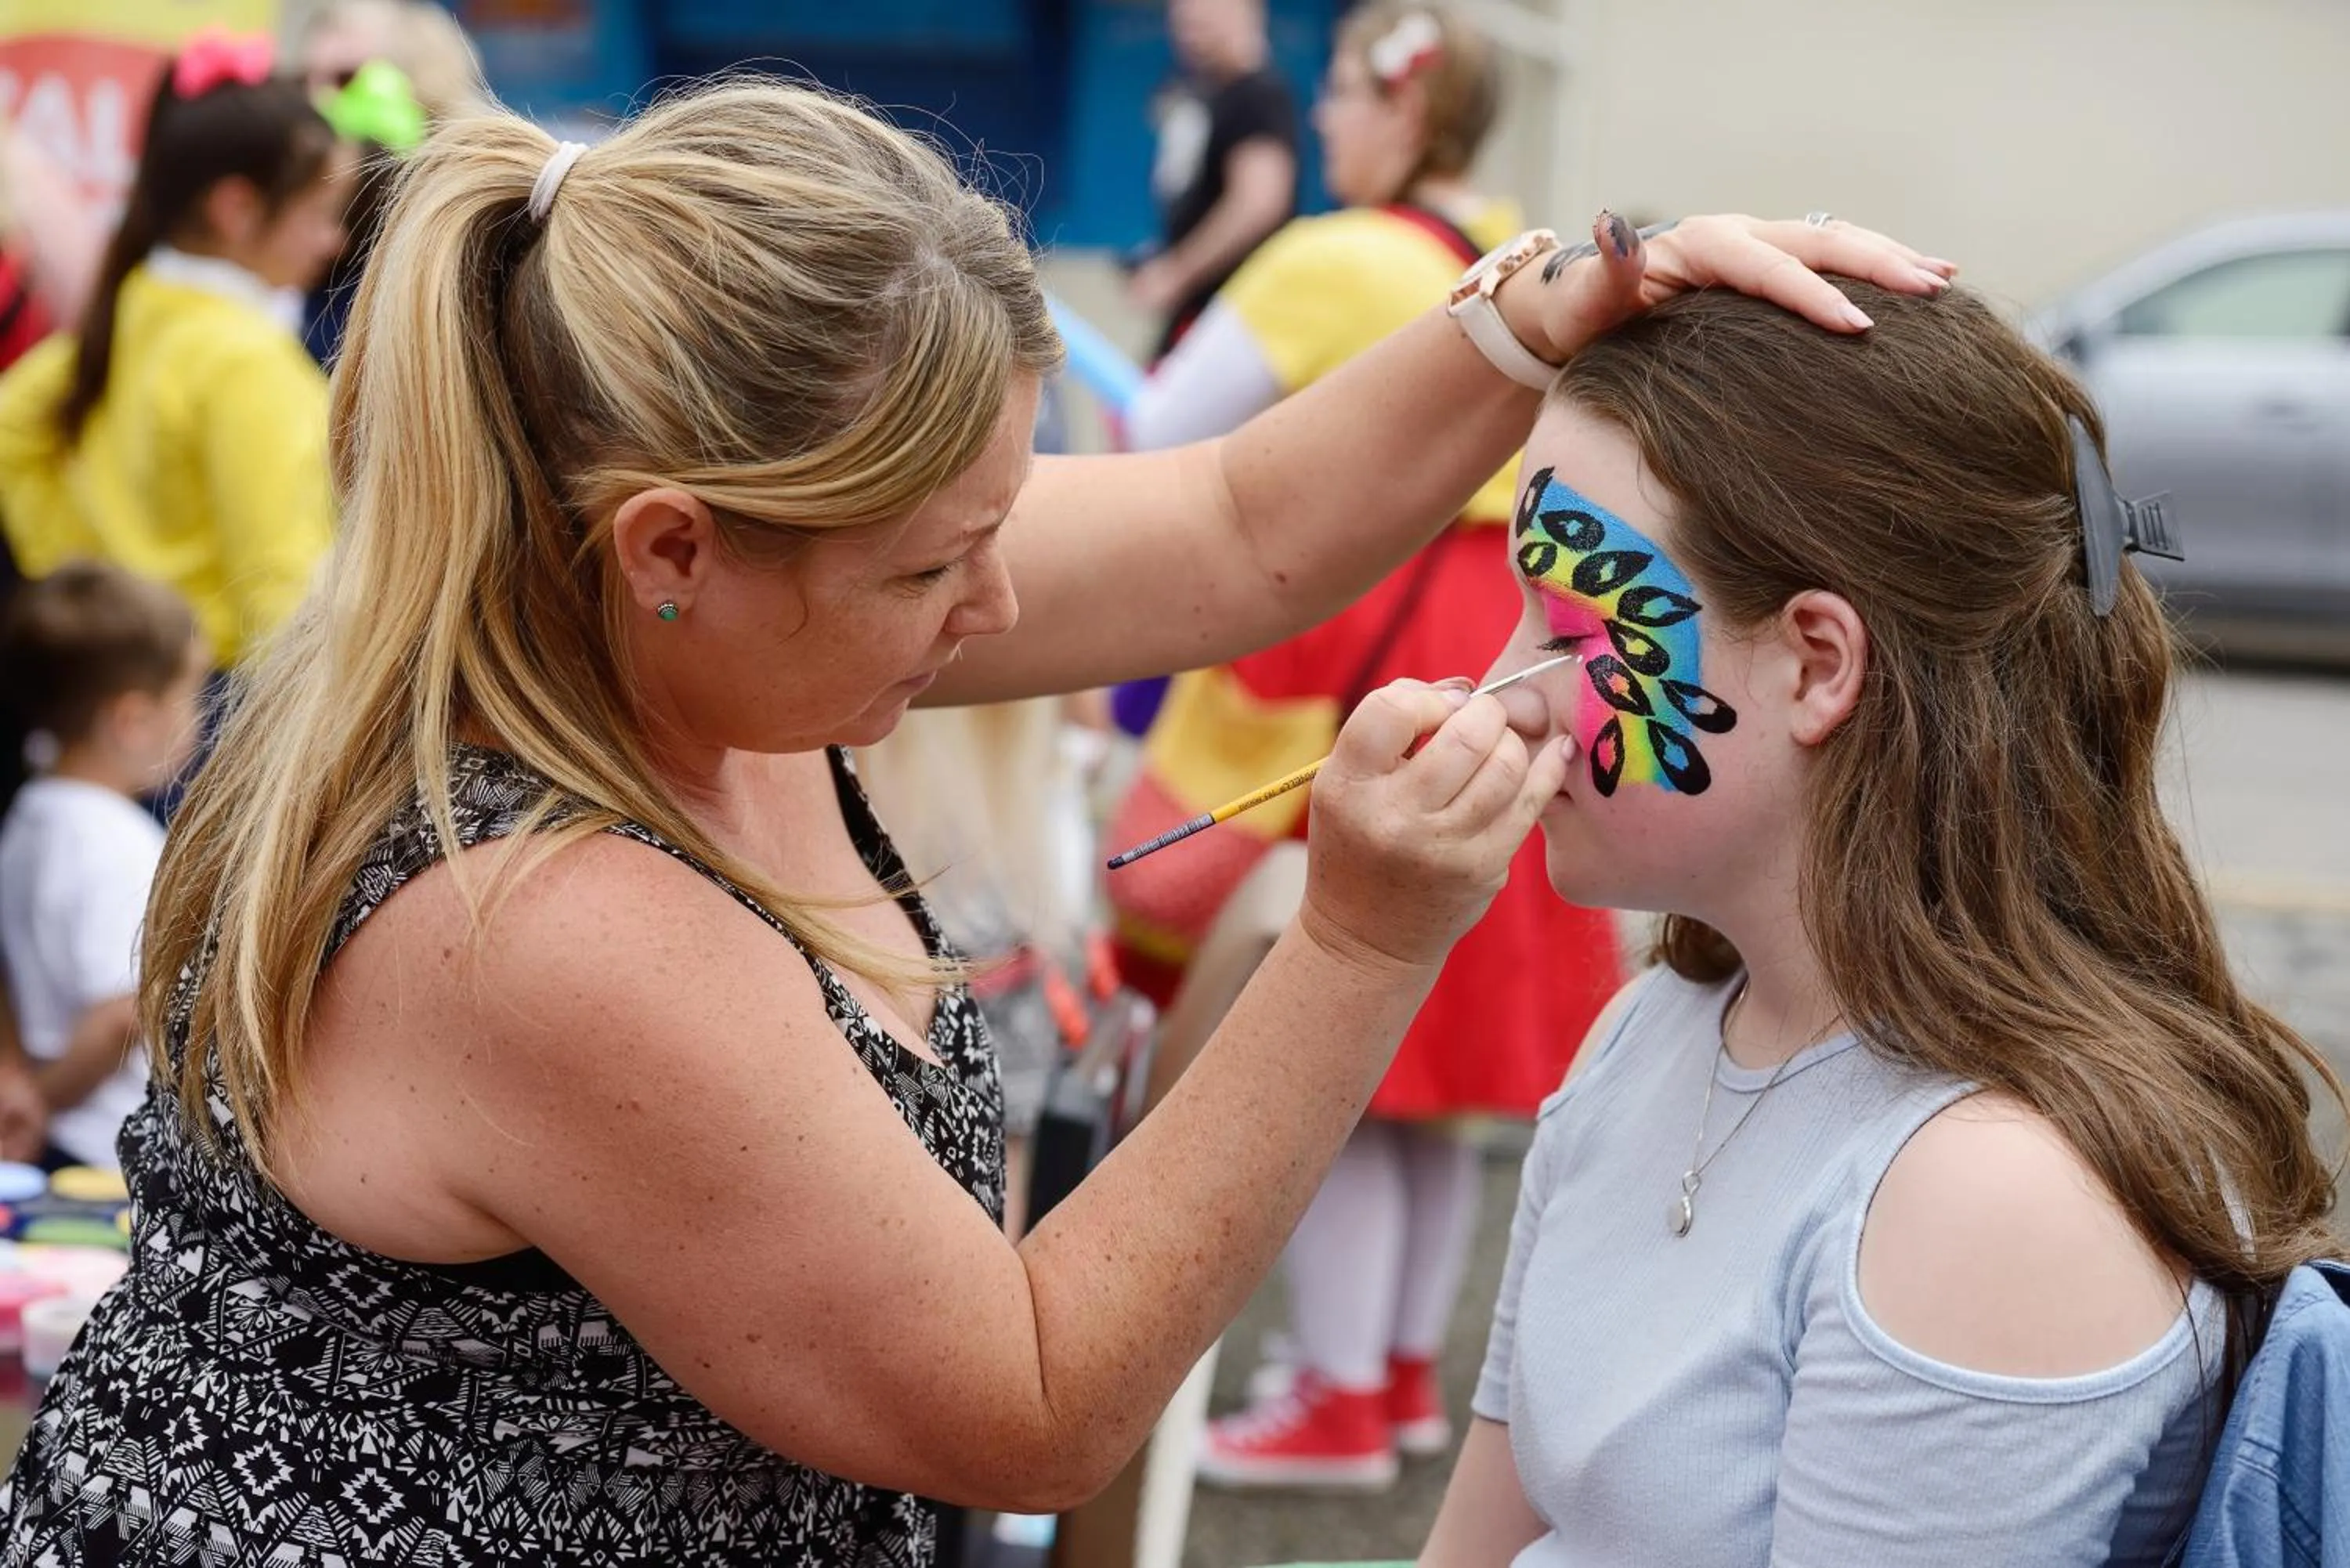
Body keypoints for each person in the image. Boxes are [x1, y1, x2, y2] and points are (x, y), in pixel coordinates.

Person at [0, 71, 1949, 1563]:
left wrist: (1551, 300)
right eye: (941, 571)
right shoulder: (534, 917)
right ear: (673, 545)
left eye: (1004, 530)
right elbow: (1027, 1409)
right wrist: (1359, 938)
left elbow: (1235, 528)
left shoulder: (676, 623)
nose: (999, 620)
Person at [1418, 278, 2345, 1566]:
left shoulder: (1984, 1194)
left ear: (1815, 664)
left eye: (1572, 624)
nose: (1498, 692)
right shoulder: (1650, 1030)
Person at [1114, 4, 1622, 1490]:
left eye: (1339, 88)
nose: (1320, 117)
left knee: (1327, 1021)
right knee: (1440, 1058)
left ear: (1405, 111)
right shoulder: (1523, 251)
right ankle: (1392, 1380)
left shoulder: (1333, 258)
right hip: (1507, 632)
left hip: (1363, 647)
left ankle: (1333, 1396)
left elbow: (1164, 425)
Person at [0, 32, 352, 674]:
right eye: (321, 211)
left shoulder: (131, 306)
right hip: (219, 701)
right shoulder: (248, 362)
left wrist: (77, 574)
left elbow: (12, 429)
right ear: (236, 208)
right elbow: (286, 594)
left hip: (120, 692)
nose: (334, 239)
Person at [0, 563, 208, 1172]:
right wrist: (37, 1101)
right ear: (133, 721)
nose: (198, 721)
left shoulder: (29, 817)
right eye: (190, 699)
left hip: (59, 1129)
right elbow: (125, 1011)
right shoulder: (114, 841)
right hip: (105, 1144)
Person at [1132, 0, 1299, 356]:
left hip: (1233, 317)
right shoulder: (1213, 93)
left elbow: (1258, 202)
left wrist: (1176, 273)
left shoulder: (1258, 96)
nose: (1188, 34)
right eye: (1182, 22)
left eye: (1201, 20)